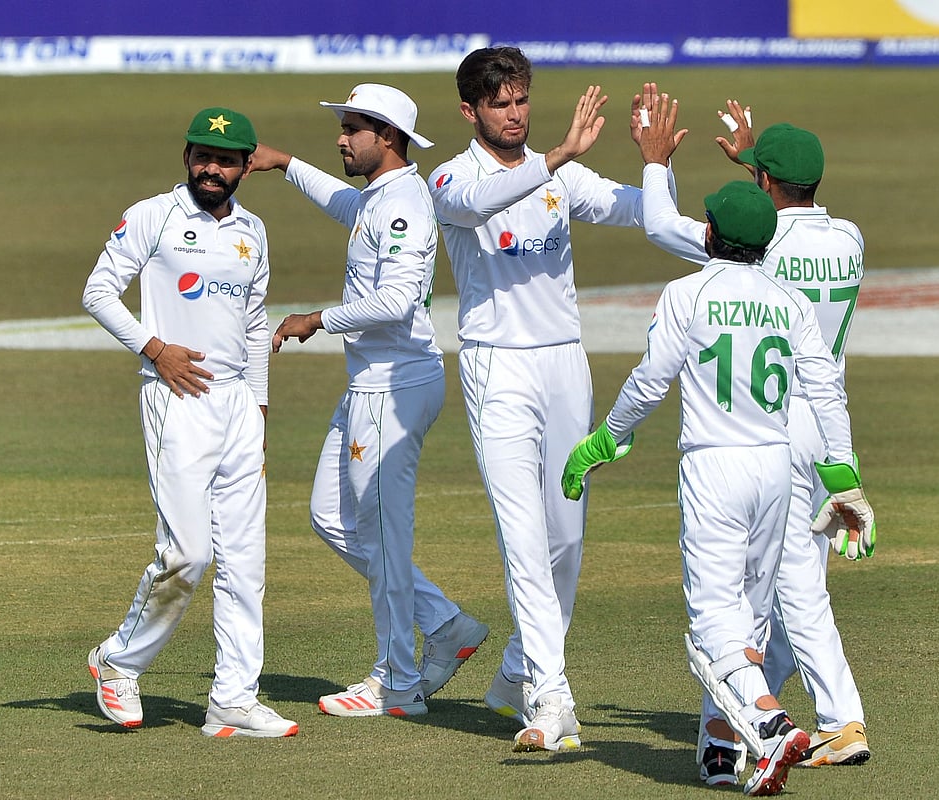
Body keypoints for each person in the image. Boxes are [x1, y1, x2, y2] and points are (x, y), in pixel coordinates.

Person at [560, 176, 875, 795]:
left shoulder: (686, 293)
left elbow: (651, 381)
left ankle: (769, 722)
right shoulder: (791, 302)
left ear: (710, 234)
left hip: (714, 465)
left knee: (711, 620)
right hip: (776, 468)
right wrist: (845, 479)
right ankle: (721, 748)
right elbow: (826, 391)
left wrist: (608, 439)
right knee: (751, 617)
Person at [427, 46, 666, 752]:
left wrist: (654, 161)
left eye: (521, 100)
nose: (514, 114)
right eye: (499, 104)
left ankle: (513, 674)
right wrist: (556, 154)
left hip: (566, 365)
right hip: (496, 369)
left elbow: (643, 215)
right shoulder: (449, 178)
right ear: (470, 110)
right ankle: (550, 699)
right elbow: (476, 203)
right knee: (524, 540)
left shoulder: (561, 176)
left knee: (565, 538)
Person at [633, 88, 873, 772]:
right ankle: (745, 722)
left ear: (765, 185)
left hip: (764, 423)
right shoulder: (849, 238)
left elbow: (663, 226)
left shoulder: (755, 245)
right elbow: (779, 207)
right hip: (827, 420)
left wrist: (655, 162)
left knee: (775, 589)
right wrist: (758, 164)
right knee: (792, 584)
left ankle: (824, 720)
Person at [247, 84, 488, 717]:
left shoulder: (404, 201)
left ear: (386, 136)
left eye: (352, 128)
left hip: (394, 387)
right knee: (332, 515)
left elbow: (400, 301)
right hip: (373, 385)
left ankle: (397, 683)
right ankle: (445, 625)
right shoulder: (380, 196)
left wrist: (316, 319)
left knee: (382, 537)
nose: (342, 138)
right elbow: (345, 204)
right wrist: (285, 163)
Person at [82, 107, 298, 737]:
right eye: (203, 156)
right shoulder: (153, 214)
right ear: (187, 157)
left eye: (226, 159)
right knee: (187, 554)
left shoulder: (253, 230)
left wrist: (258, 407)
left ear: (246, 165)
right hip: (175, 396)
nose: (212, 168)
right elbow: (97, 292)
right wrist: (156, 349)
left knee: (244, 561)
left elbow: (256, 324)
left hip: (237, 406)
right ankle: (119, 663)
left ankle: (233, 698)